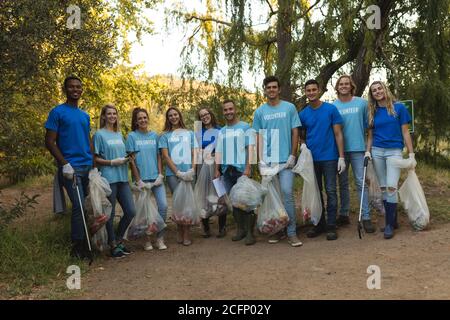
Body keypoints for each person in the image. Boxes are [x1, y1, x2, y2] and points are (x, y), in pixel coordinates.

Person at [45, 75, 93, 259]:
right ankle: (77, 248)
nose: (75, 89)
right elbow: (49, 142)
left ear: (81, 90)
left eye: (78, 87)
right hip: (70, 169)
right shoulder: (57, 112)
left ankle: (89, 241)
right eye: (71, 87)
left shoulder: (84, 115)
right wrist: (64, 164)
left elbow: (88, 141)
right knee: (78, 206)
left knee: (88, 206)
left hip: (87, 167)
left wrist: (94, 165)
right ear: (66, 90)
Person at [253, 76, 303, 247]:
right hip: (268, 161)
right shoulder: (260, 112)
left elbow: (295, 132)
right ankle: (278, 229)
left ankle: (292, 232)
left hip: (285, 161)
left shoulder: (289, 108)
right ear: (265, 90)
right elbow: (258, 136)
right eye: (269, 87)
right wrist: (259, 160)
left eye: (275, 87)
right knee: (273, 198)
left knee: (287, 193)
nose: (272, 90)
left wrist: (292, 154)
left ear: (279, 89)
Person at [366, 81, 415, 239]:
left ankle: (388, 224)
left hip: (394, 151)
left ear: (385, 89)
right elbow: (370, 135)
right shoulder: (372, 111)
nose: (378, 92)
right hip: (377, 151)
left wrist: (411, 153)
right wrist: (367, 151)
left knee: (391, 187)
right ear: (372, 95)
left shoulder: (399, 108)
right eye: (374, 90)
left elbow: (406, 132)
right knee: (383, 187)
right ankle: (392, 220)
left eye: (380, 88)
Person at [299, 79, 345, 241]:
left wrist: (341, 157)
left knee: (331, 191)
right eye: (308, 90)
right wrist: (303, 146)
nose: (311, 92)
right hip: (312, 160)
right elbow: (301, 135)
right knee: (316, 192)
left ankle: (331, 225)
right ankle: (319, 223)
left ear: (319, 91)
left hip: (330, 158)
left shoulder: (330, 110)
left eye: (314, 89)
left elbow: (338, 134)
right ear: (305, 92)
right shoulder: (303, 114)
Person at [93, 104, 136, 258]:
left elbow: (122, 154)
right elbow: (95, 158)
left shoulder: (119, 134)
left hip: (123, 178)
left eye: (114, 113)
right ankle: (112, 245)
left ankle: (118, 240)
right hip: (109, 178)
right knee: (109, 215)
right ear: (103, 116)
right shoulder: (99, 134)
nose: (112, 116)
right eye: (109, 114)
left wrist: (128, 157)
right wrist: (111, 162)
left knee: (131, 211)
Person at [333, 75, 375, 233]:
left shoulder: (362, 103)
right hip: (340, 151)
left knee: (360, 183)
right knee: (342, 183)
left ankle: (366, 217)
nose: (344, 86)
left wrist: (368, 150)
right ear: (337, 87)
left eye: (346, 84)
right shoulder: (333, 106)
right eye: (341, 84)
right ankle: (344, 214)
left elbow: (370, 129)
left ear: (351, 87)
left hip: (358, 149)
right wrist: (339, 155)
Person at [214, 99, 256, 245]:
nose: (228, 112)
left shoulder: (245, 127)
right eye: (225, 110)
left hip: (241, 170)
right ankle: (240, 230)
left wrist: (248, 167)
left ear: (235, 109)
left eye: (230, 109)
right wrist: (217, 170)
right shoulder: (222, 131)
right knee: (233, 202)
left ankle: (250, 232)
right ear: (223, 112)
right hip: (227, 171)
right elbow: (218, 151)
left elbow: (250, 148)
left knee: (245, 201)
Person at [126, 107, 167, 251]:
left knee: (163, 206)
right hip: (142, 180)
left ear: (147, 119)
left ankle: (159, 238)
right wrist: (138, 180)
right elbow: (131, 160)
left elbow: (158, 156)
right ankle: (147, 239)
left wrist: (160, 175)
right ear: (136, 122)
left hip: (156, 179)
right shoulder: (132, 136)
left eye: (144, 117)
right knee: (145, 211)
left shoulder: (154, 136)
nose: (143, 120)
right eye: (139, 119)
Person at [159, 107, 199, 246]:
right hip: (173, 174)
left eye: (175, 114)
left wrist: (193, 169)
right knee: (177, 203)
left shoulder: (189, 133)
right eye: (170, 115)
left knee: (187, 204)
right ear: (168, 118)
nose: (173, 117)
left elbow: (195, 152)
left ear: (179, 116)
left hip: (188, 173)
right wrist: (177, 172)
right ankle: (179, 230)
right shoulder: (165, 136)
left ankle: (187, 233)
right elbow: (165, 155)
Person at [195, 108, 223, 238]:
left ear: (211, 114)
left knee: (220, 195)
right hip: (203, 166)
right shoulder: (198, 133)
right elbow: (196, 151)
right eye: (201, 116)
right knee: (205, 196)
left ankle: (222, 228)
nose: (204, 117)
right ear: (199, 119)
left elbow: (223, 148)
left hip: (218, 165)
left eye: (206, 114)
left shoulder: (220, 130)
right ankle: (206, 228)